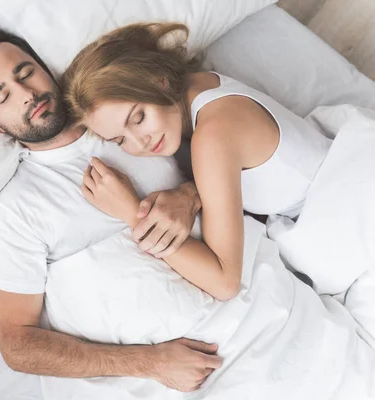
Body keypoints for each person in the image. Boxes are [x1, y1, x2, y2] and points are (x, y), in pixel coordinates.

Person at [0, 19, 223, 392]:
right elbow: (17, 344)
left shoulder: (125, 114)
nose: (26, 93)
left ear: (46, 70)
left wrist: (190, 195)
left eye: (25, 73)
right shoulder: (19, 209)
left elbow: (227, 143)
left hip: (252, 293)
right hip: (188, 371)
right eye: (3, 95)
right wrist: (152, 363)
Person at [61, 22, 332, 299]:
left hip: (338, 211)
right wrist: (189, 193)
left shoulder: (211, 138)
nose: (139, 142)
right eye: (120, 140)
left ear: (158, 80)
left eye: (139, 117)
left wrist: (133, 213)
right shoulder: (201, 84)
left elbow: (225, 282)